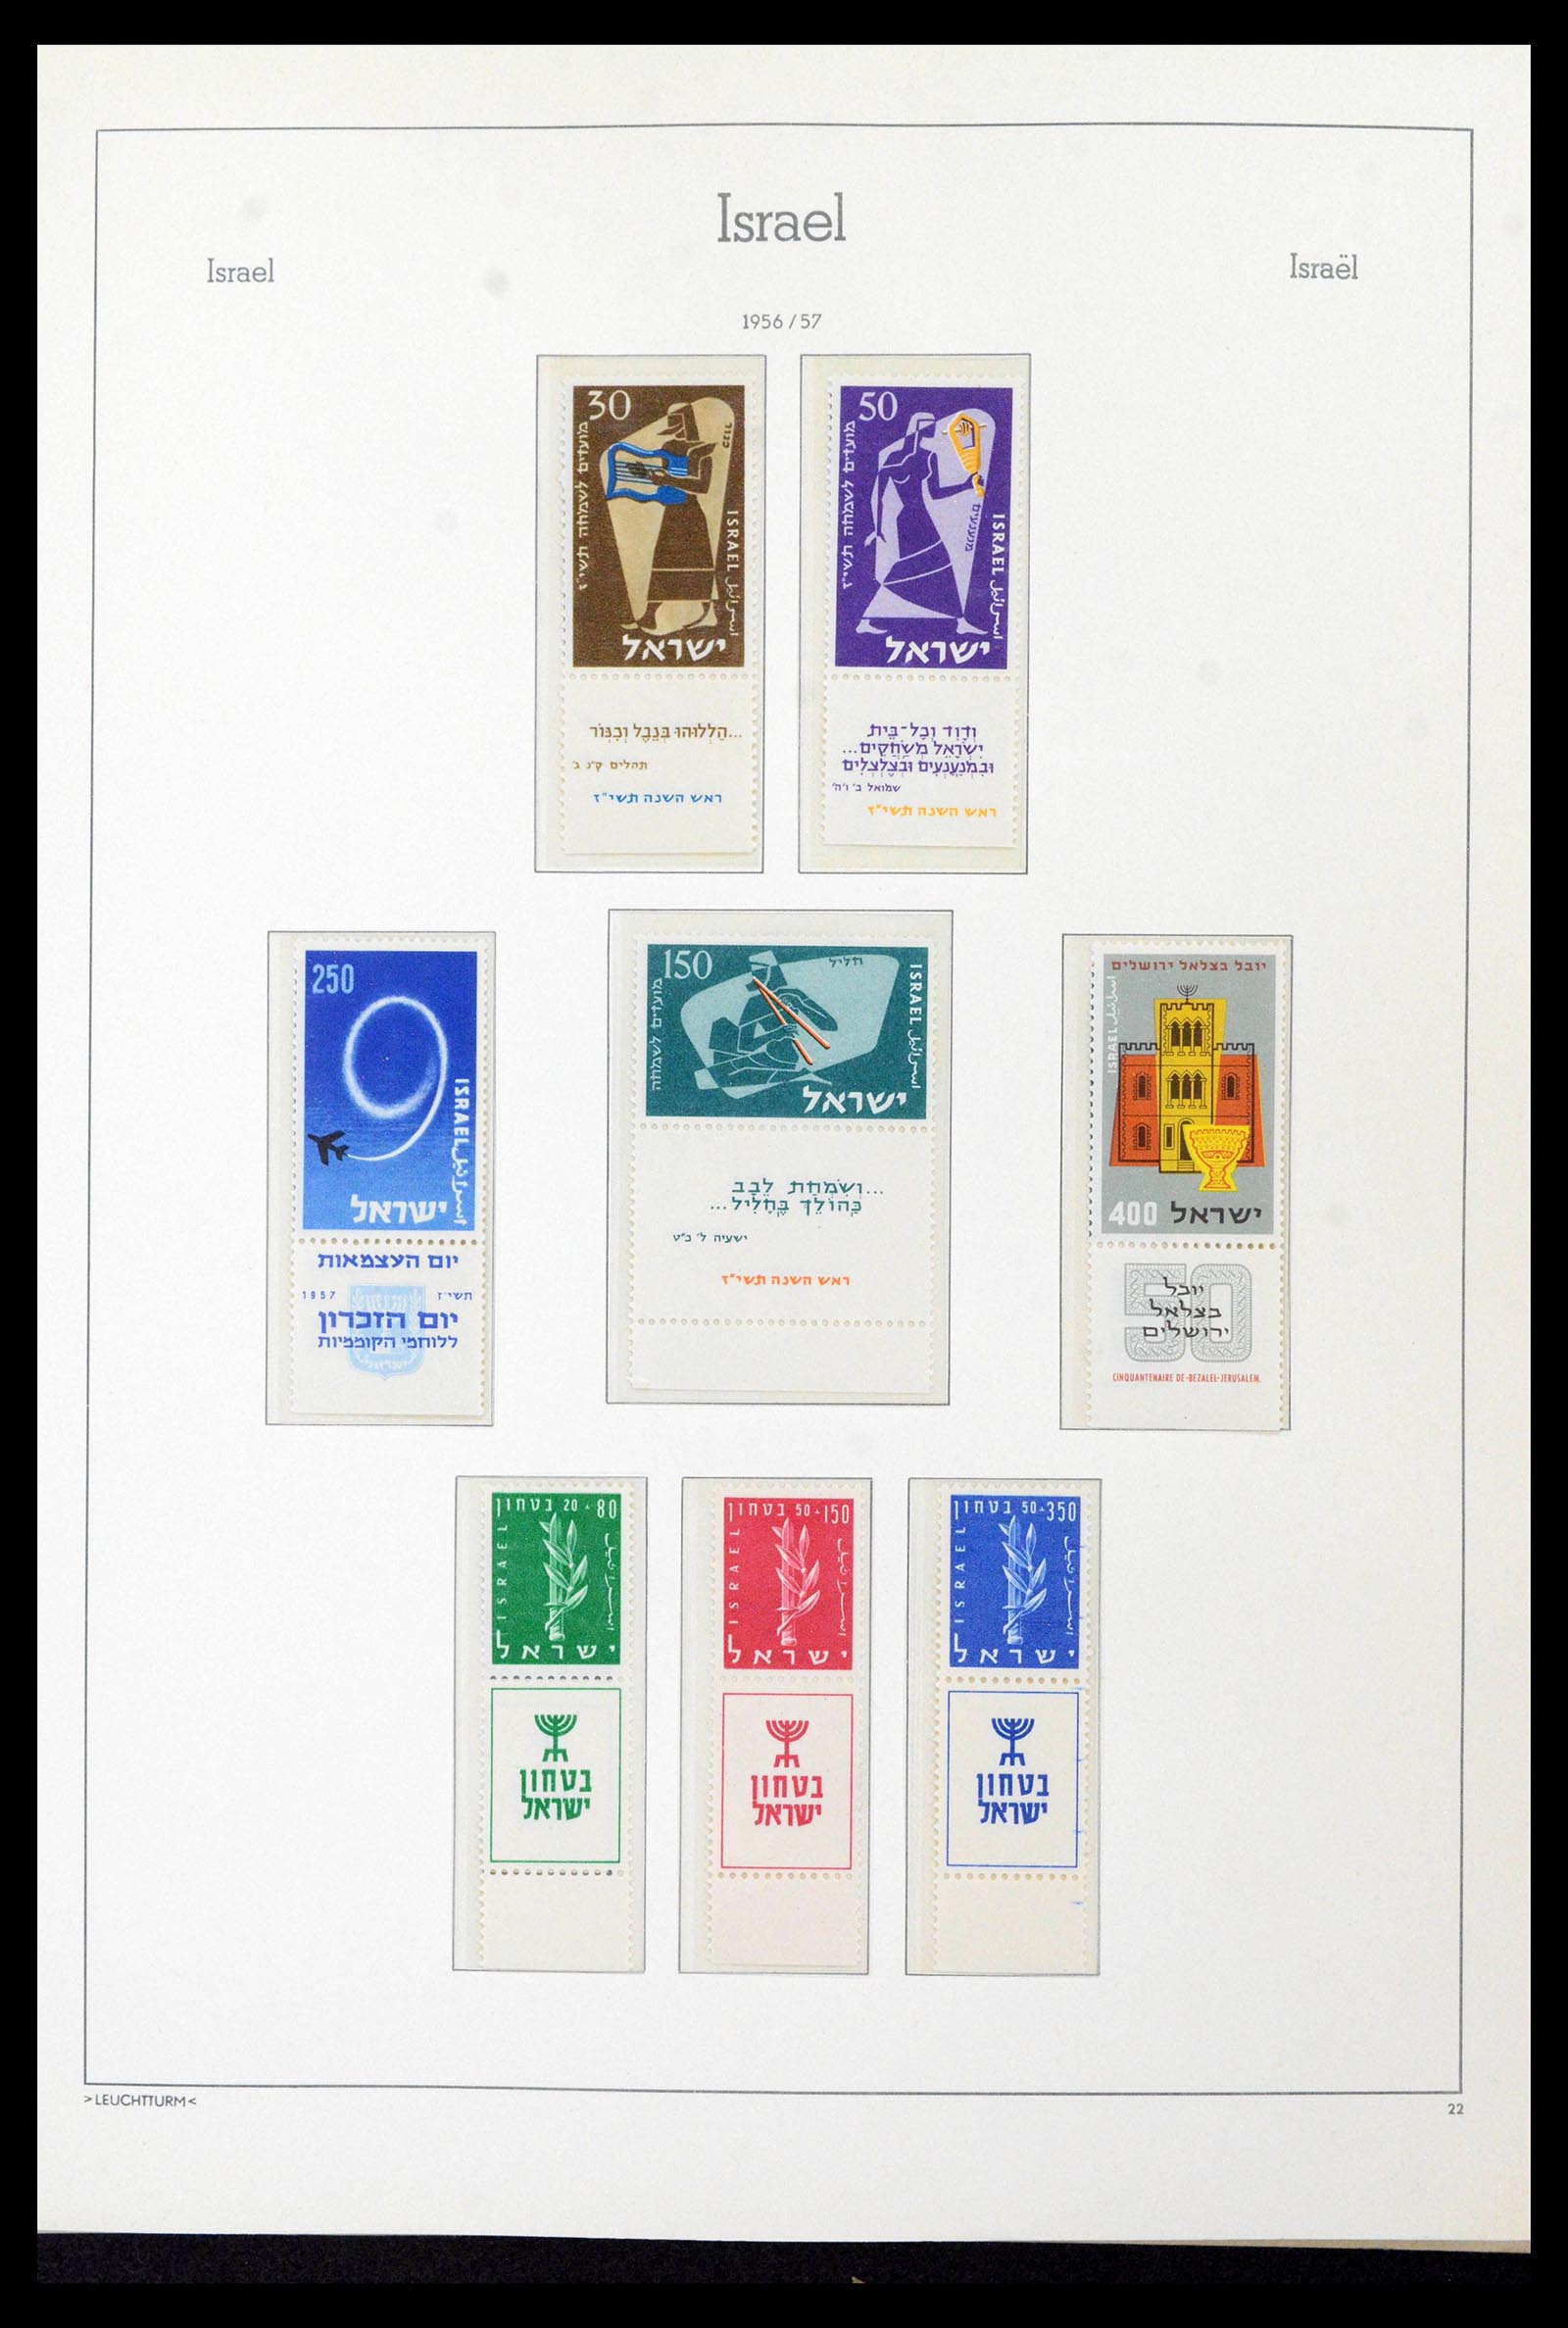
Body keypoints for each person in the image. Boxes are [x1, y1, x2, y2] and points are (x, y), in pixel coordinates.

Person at [858, 411, 986, 635]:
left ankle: (960, 621)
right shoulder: (895, 458)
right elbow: (877, 494)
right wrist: (876, 528)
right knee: (911, 566)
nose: (933, 431)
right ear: (917, 429)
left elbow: (935, 493)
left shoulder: (928, 456)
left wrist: (966, 485)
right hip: (909, 520)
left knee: (936, 564)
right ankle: (865, 618)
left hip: (919, 516)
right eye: (929, 427)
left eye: (933, 427)